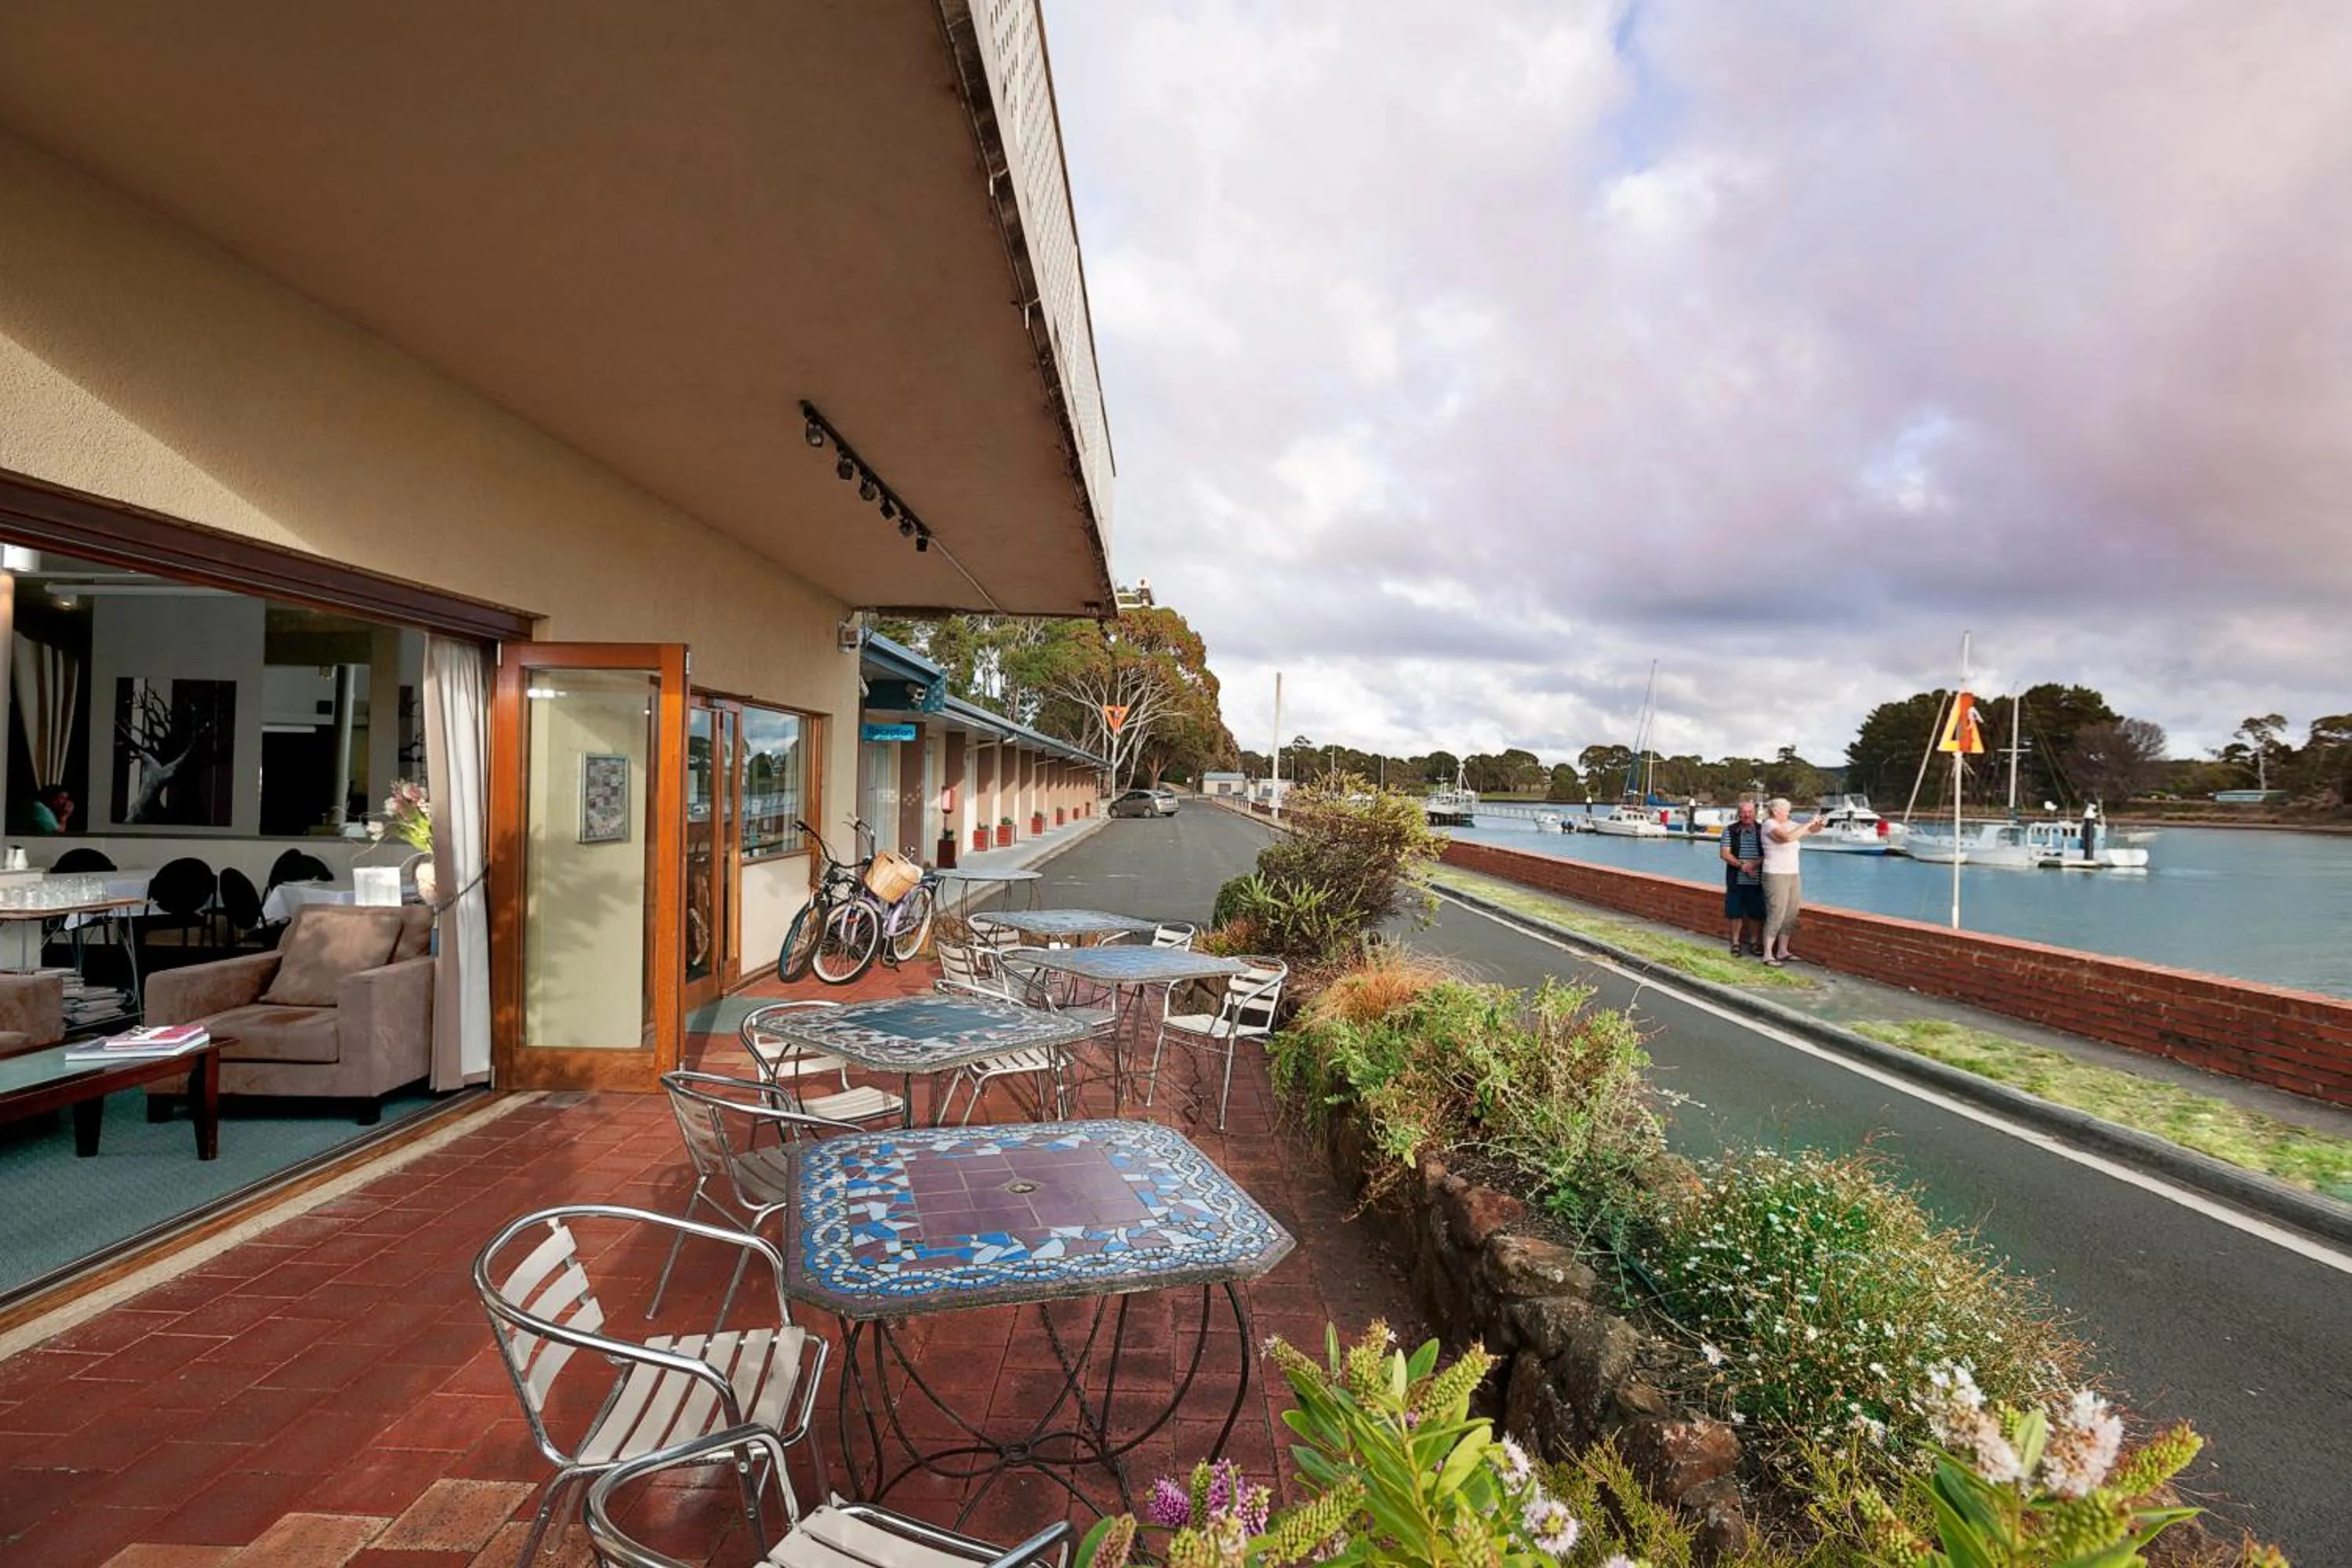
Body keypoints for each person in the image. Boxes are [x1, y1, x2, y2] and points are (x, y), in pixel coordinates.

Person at [1759, 796, 1830, 967]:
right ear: (1776, 811)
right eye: (1786, 811)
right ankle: (1768, 954)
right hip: (1775, 874)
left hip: (1792, 874)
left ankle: (1783, 951)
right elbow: (1786, 838)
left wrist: (1819, 824)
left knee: (1791, 913)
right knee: (1777, 913)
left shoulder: (1788, 824)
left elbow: (1810, 832)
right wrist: (1807, 823)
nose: (1788, 814)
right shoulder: (1770, 824)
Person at [1719, 800, 1766, 956]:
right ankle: (1735, 943)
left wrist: (1753, 864)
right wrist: (1742, 866)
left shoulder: (1763, 831)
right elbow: (1725, 853)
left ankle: (1754, 943)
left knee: (1756, 913)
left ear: (1755, 813)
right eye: (1744, 812)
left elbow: (1769, 854)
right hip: (1735, 879)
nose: (1747, 815)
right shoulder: (1730, 831)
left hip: (1758, 880)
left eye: (1750, 812)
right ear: (1739, 813)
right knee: (1735, 913)